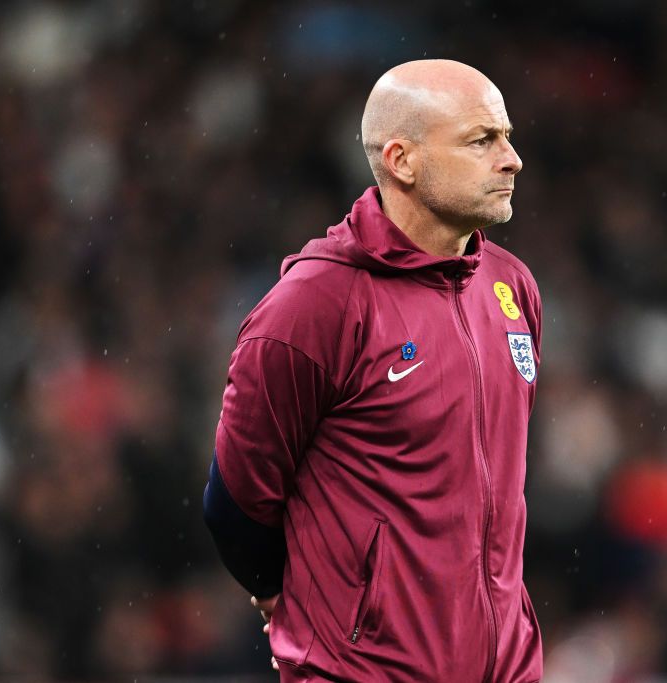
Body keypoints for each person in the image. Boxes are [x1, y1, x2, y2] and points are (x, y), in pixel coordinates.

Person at [202, 59, 543, 682]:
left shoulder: (512, 287)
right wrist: (300, 601)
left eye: (507, 136)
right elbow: (235, 500)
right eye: (481, 140)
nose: (511, 158)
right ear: (401, 160)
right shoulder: (316, 302)